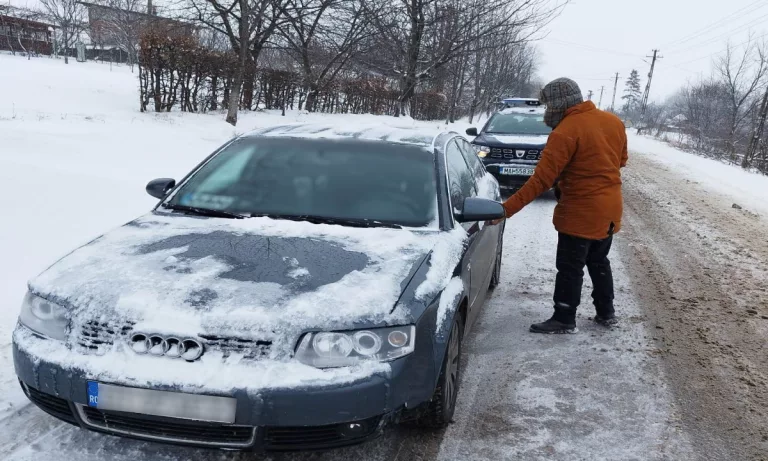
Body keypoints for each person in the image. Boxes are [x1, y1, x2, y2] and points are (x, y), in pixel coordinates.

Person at [501, 78, 628, 334]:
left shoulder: (565, 131)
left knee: (570, 267)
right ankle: (606, 312)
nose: (547, 112)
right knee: (599, 261)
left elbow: (541, 180)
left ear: (559, 105)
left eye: (548, 106)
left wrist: (506, 209)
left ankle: (564, 318)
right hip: (610, 209)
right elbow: (621, 160)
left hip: (581, 211)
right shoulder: (613, 122)